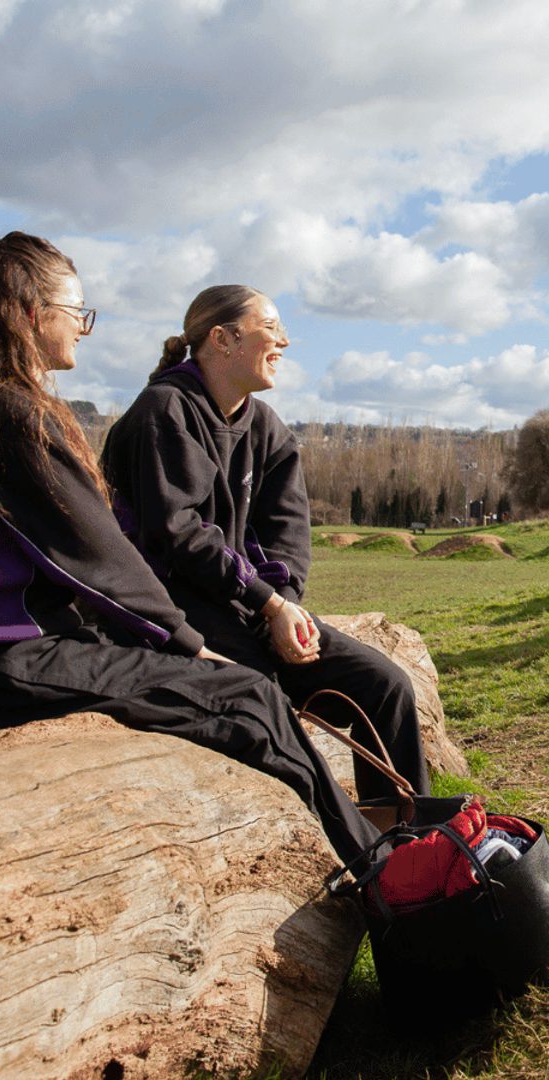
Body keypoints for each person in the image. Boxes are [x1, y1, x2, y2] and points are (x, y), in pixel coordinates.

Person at [0, 233, 378, 870]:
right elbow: (98, 554)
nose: (83, 330)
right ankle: (373, 869)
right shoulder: (13, 415)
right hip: (2, 665)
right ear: (32, 316)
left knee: (250, 691)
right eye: (77, 312)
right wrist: (183, 639)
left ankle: (371, 850)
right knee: (250, 697)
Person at [101, 285, 428, 804]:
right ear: (223, 338)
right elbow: (179, 535)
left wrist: (285, 609)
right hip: (176, 616)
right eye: (271, 329)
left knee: (384, 686)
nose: (286, 342)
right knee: (265, 709)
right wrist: (268, 603)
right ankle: (350, 846)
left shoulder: (267, 426)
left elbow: (288, 532)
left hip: (250, 608)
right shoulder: (164, 412)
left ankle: (412, 842)